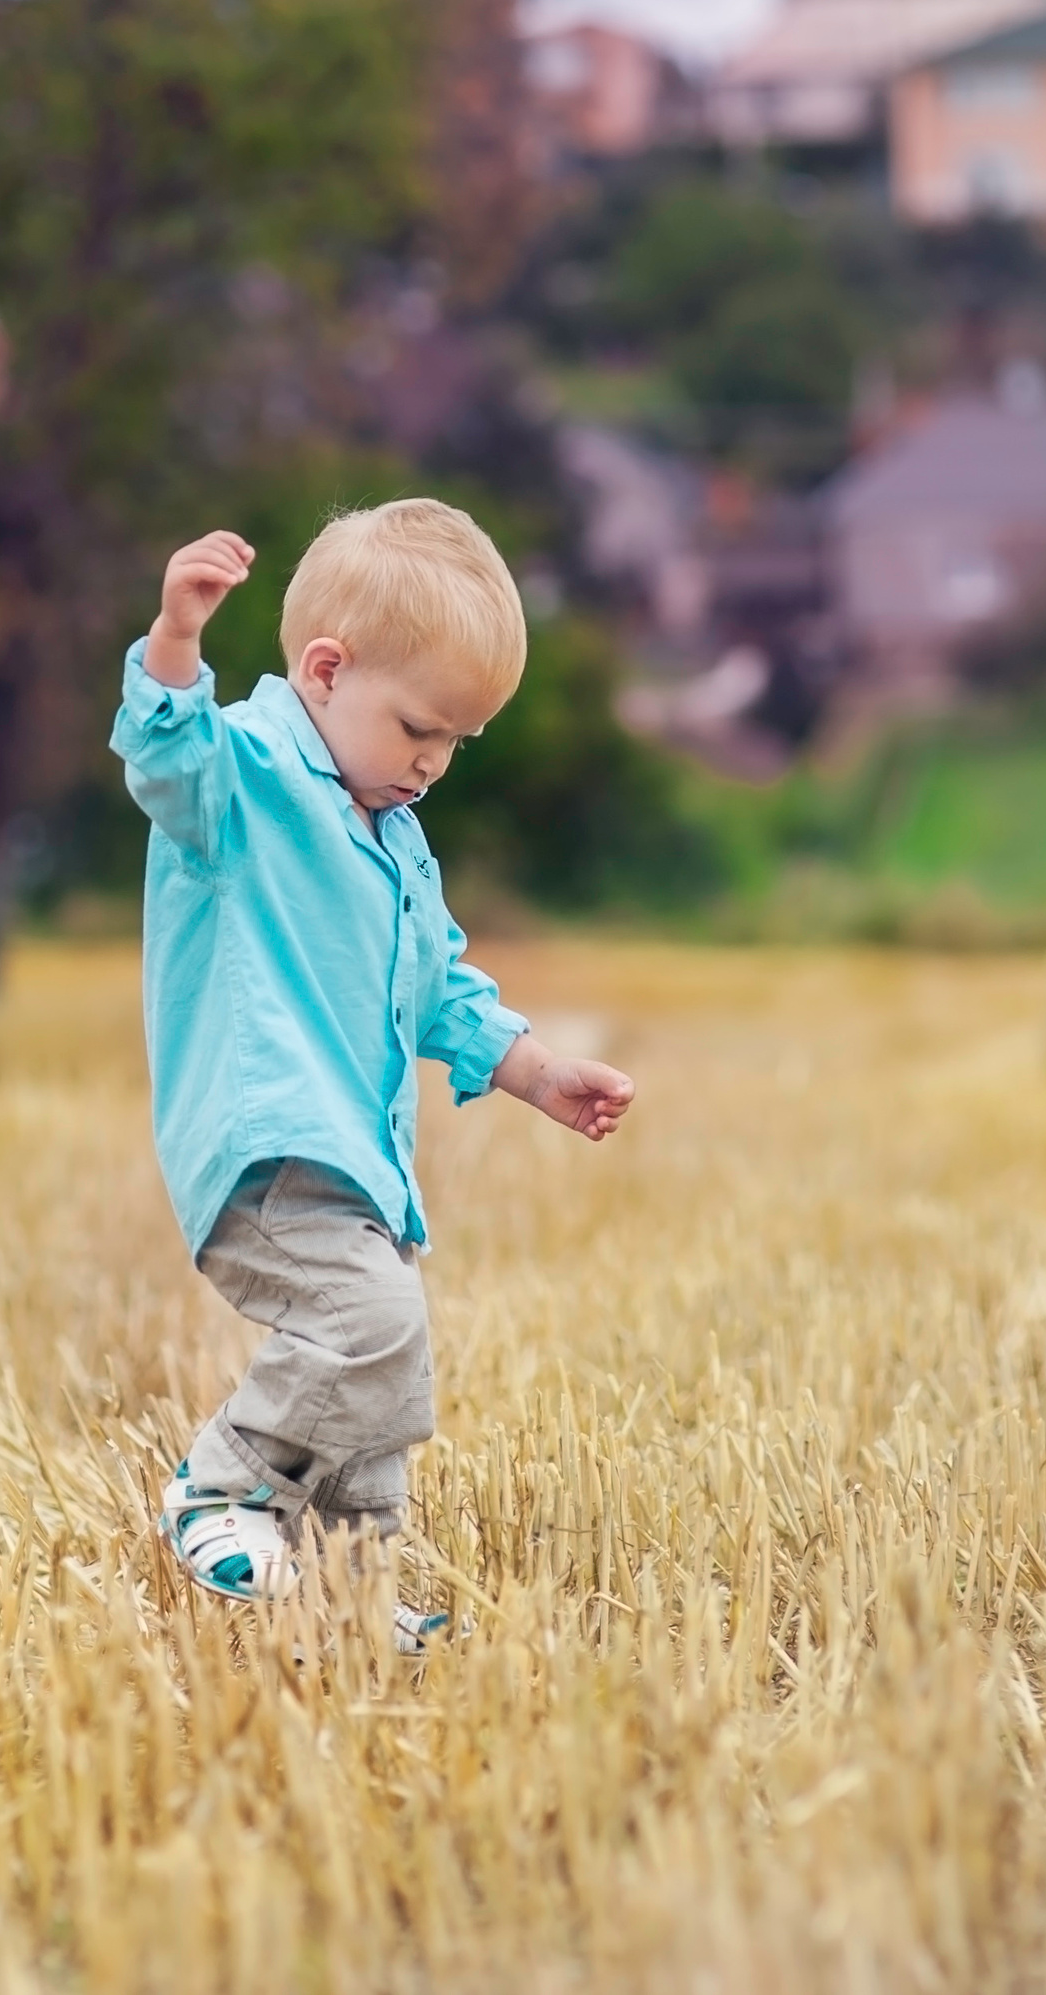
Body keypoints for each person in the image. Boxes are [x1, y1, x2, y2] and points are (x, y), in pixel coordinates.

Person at [111, 503, 635, 1642]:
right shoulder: (242, 779)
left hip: (360, 1155)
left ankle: (348, 1600)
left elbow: (439, 982)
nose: (433, 764)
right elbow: (163, 755)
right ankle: (224, 1485)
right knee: (370, 1318)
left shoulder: (395, 839)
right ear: (326, 669)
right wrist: (175, 638)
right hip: (266, 1137)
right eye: (418, 728)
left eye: (456, 744)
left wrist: (535, 1068)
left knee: (383, 1384)